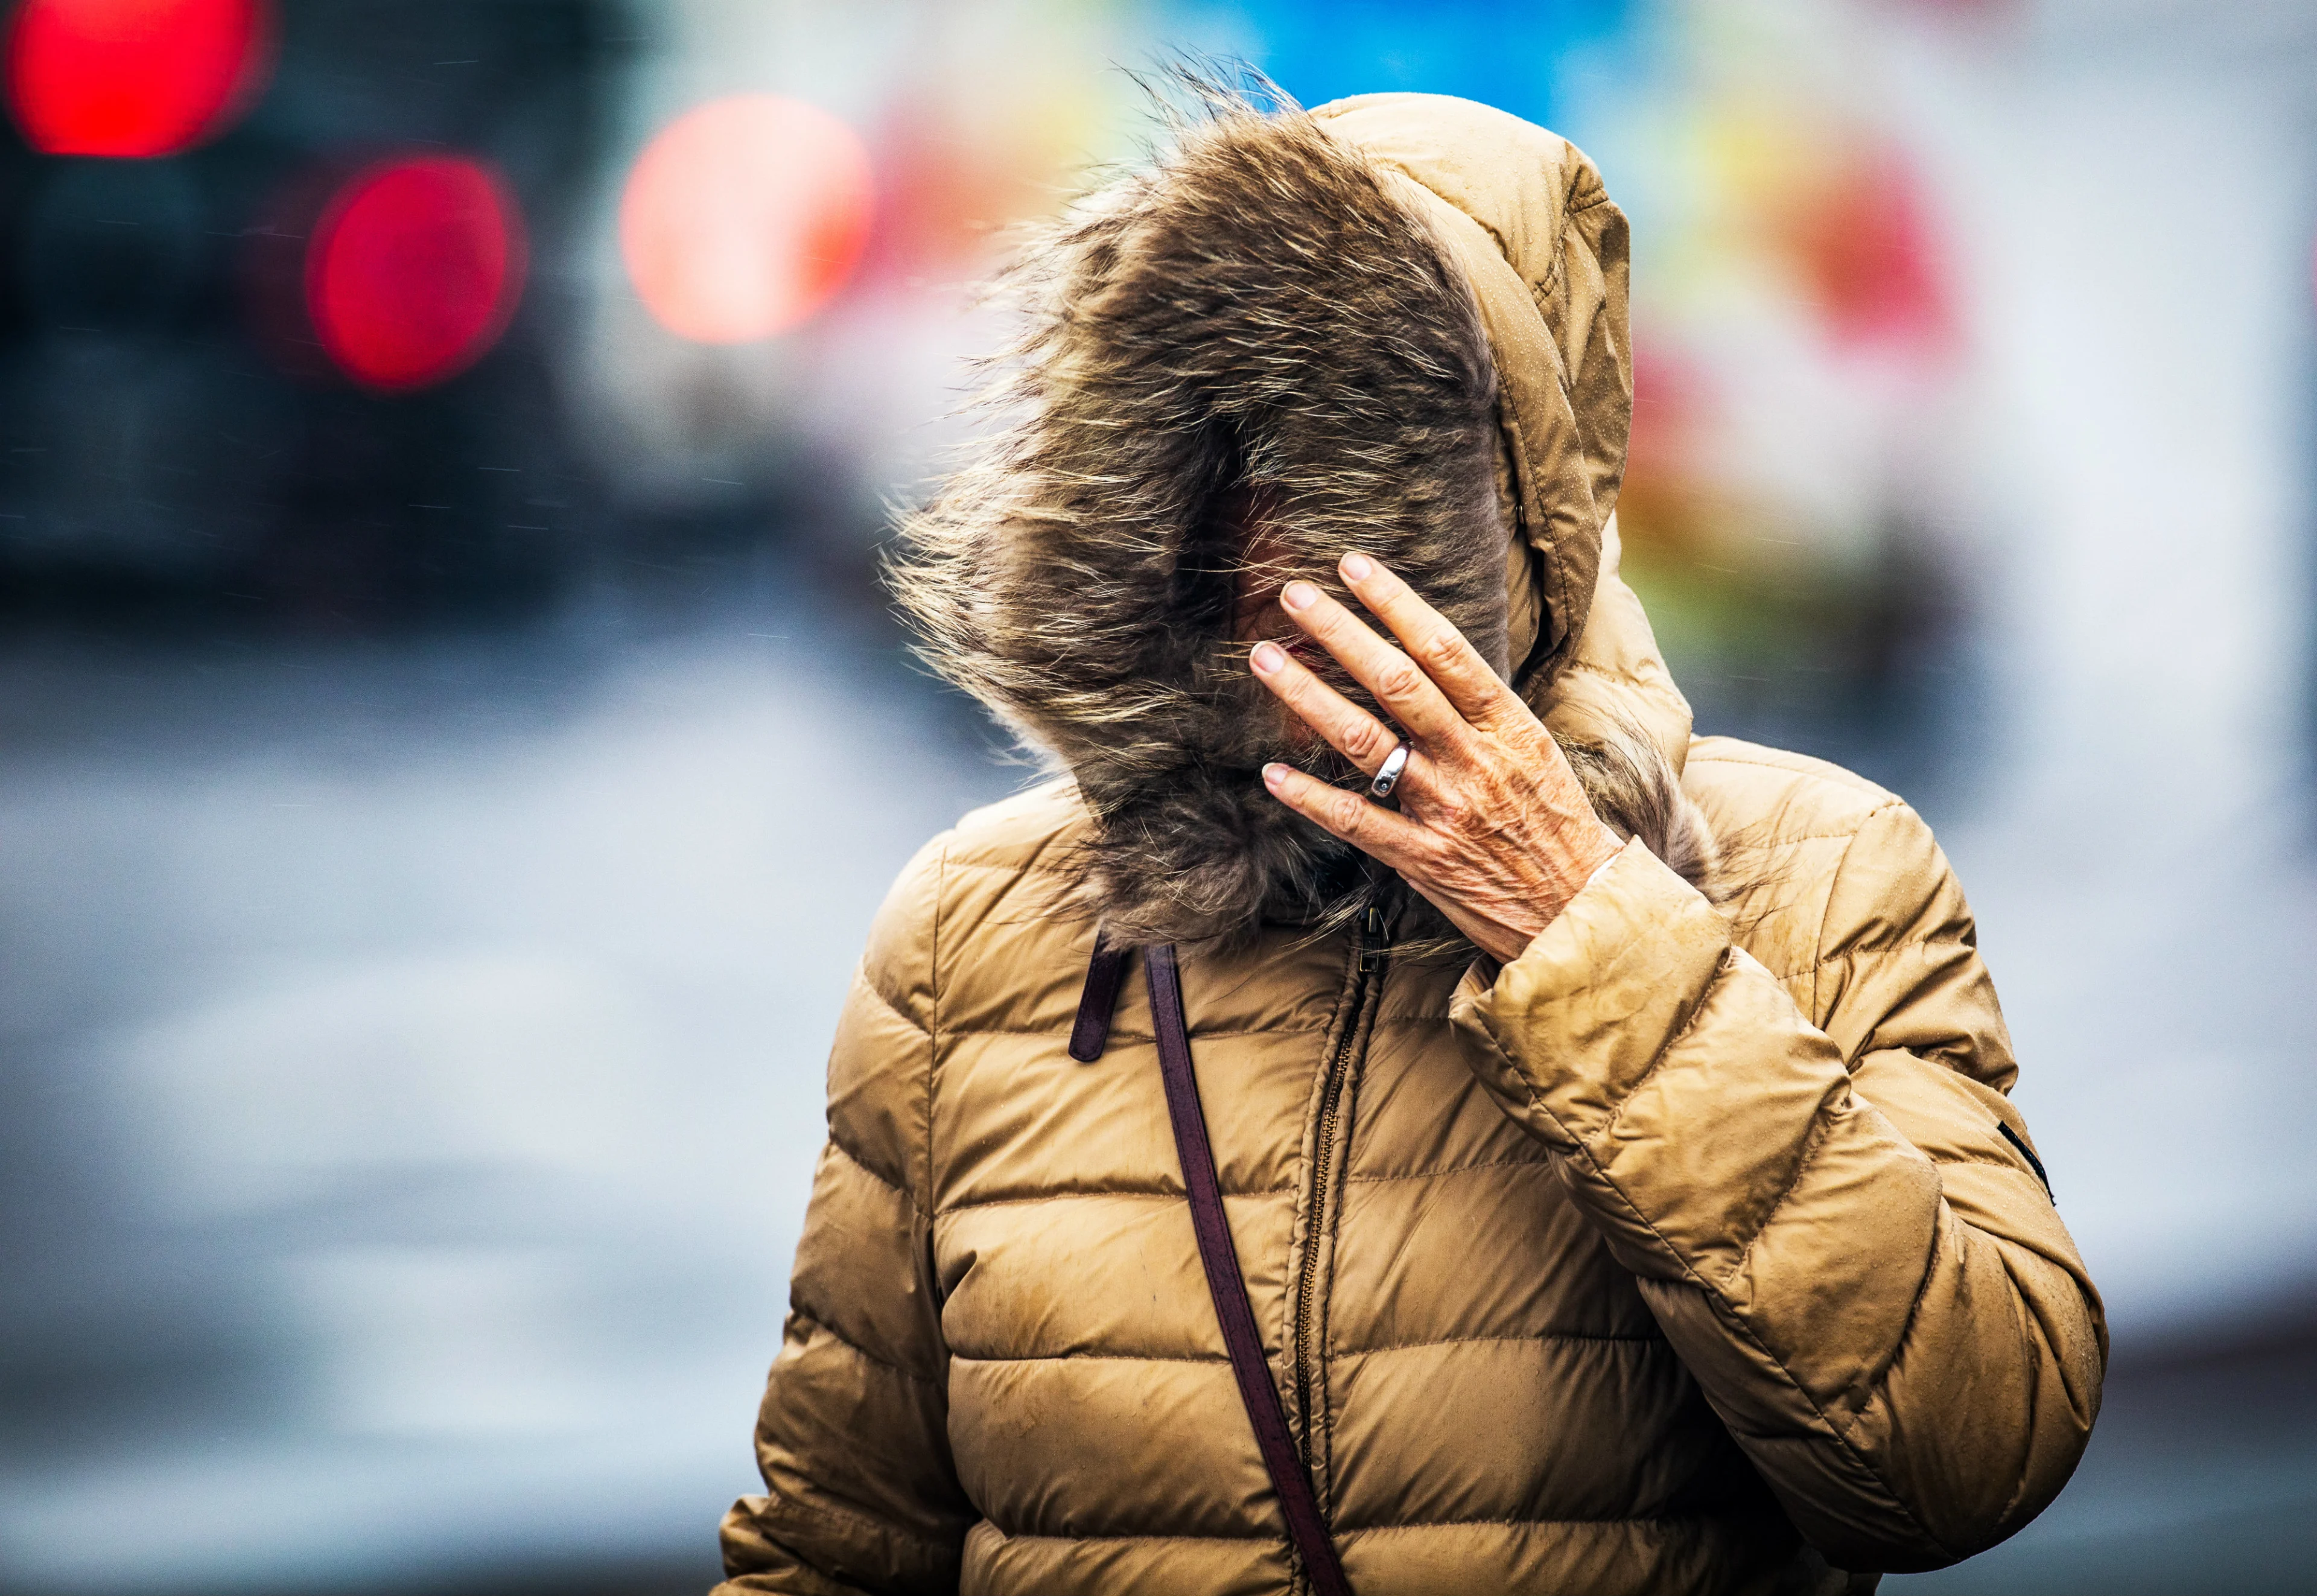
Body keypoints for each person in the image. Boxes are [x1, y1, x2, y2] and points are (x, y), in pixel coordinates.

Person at [714, 84, 2103, 1596]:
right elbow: (835, 1544)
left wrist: (1586, 926)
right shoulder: (979, 932)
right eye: (1234, 451)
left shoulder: (1814, 871)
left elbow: (1969, 1455)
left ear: (1524, 499)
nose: (1290, 539)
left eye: (1365, 463)